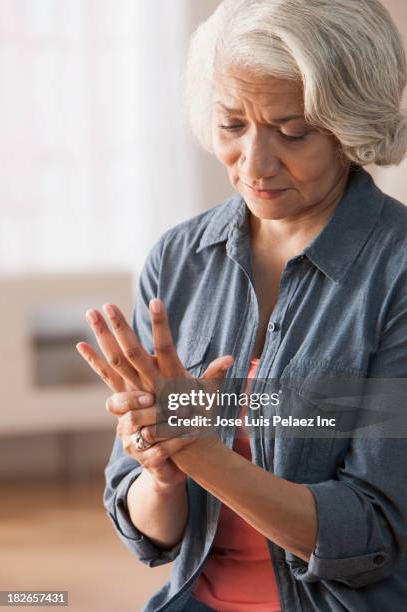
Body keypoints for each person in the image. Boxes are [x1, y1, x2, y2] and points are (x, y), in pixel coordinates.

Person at [76, 0, 407, 610]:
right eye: (232, 125)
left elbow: (372, 532)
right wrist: (162, 471)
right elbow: (152, 536)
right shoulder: (178, 260)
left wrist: (199, 450)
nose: (253, 164)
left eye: (293, 133)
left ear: (352, 123)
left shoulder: (396, 273)